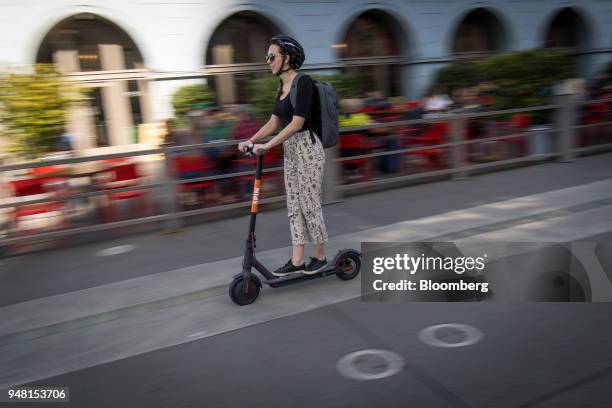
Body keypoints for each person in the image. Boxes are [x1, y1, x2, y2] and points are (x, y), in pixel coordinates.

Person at [238, 35, 328, 277]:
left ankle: (320, 256)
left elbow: (297, 123)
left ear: (287, 58)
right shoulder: (281, 87)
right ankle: (297, 260)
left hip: (308, 148)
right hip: (291, 150)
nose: (268, 61)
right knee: (294, 206)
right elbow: (274, 122)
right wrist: (251, 141)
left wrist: (267, 147)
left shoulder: (304, 82)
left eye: (272, 56)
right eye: (267, 57)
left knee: (309, 205)